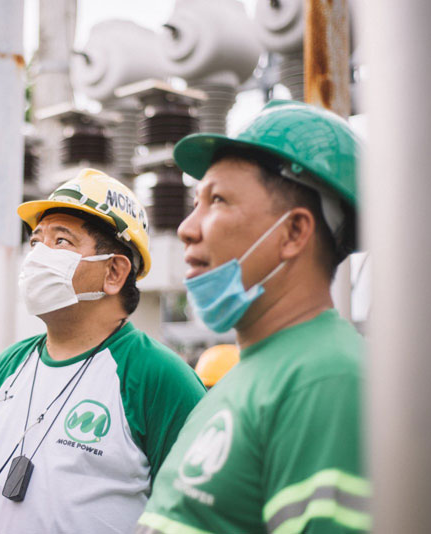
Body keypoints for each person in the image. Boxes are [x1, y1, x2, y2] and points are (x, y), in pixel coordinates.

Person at [136, 100, 370, 534]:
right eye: (196, 201)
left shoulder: (327, 378)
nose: (188, 227)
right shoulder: (251, 374)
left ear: (294, 232)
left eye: (218, 200)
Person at [0, 168, 206, 534]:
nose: (38, 255)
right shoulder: (9, 367)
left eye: (62, 241)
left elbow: (200, 512)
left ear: (115, 273)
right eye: (36, 241)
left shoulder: (158, 377)